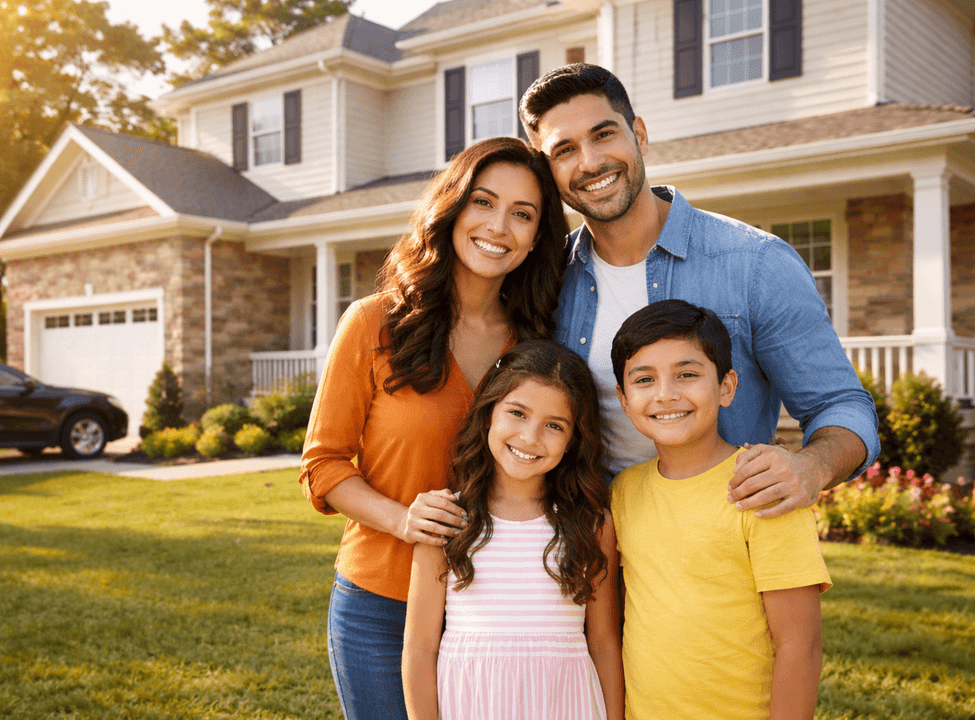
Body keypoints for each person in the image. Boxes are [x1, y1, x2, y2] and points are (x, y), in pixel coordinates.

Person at [519, 63, 879, 518]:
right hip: (592, 552)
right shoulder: (547, 280)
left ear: (640, 135)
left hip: (722, 550)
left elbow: (840, 404)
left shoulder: (757, 263)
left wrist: (812, 466)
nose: (590, 163)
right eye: (564, 150)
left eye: (604, 134)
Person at [299, 136, 570, 720]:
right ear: (451, 208)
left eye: (523, 214)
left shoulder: (537, 343)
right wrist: (405, 520)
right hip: (383, 605)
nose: (499, 226)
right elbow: (322, 465)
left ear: (537, 236)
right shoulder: (374, 322)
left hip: (498, 605)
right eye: (483, 202)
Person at [610, 299, 831, 720]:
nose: (666, 394)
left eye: (687, 375)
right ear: (623, 398)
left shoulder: (762, 486)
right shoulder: (624, 491)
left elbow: (799, 644)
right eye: (644, 379)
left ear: (727, 387)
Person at [402, 340, 622, 720]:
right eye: (517, 413)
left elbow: (603, 643)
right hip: (472, 703)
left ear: (573, 442)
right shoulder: (447, 518)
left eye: (554, 425)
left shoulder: (592, 523)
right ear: (489, 414)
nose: (530, 437)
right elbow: (420, 647)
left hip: (565, 704)